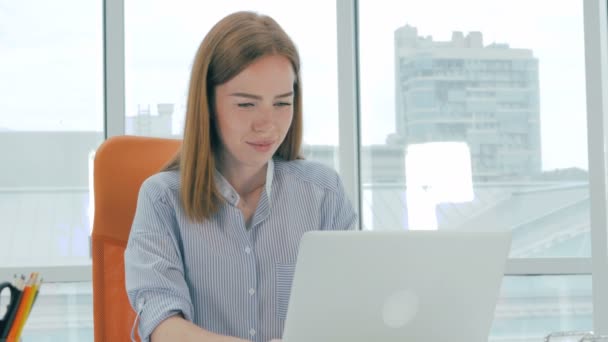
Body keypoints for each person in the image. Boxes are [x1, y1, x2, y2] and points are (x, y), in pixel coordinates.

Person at [124, 11, 357, 342]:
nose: (268, 124)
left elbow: (353, 308)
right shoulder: (162, 198)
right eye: (247, 105)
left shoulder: (323, 192)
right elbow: (162, 323)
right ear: (207, 104)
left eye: (281, 103)